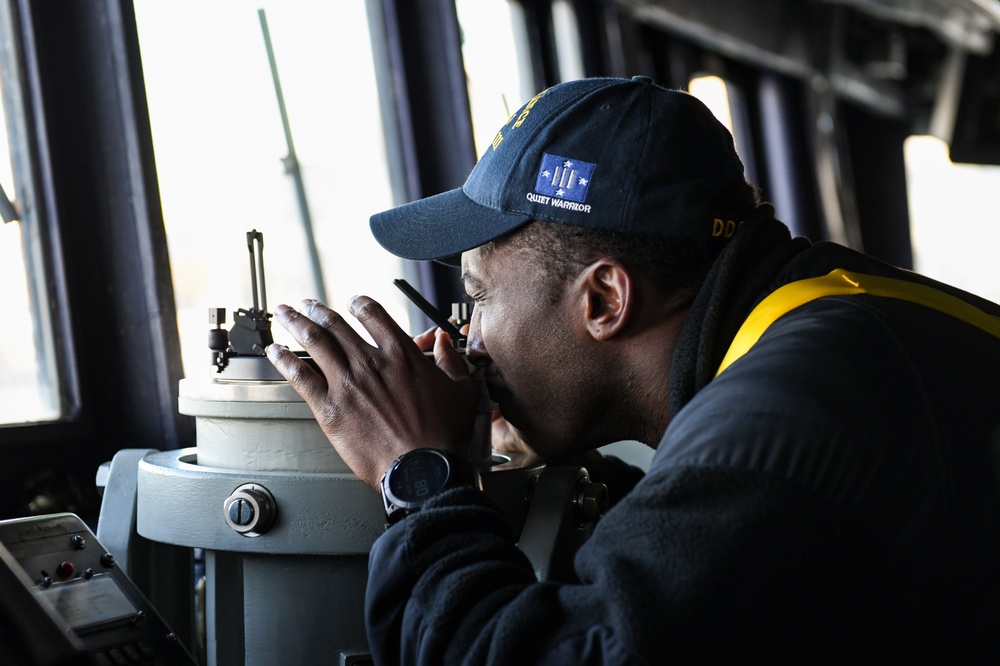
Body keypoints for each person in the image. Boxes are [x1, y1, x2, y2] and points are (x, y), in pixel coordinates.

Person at [266, 76, 1000, 663]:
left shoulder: (781, 420)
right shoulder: (831, 318)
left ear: (606, 299)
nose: (465, 340)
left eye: (478, 298)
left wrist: (419, 478)